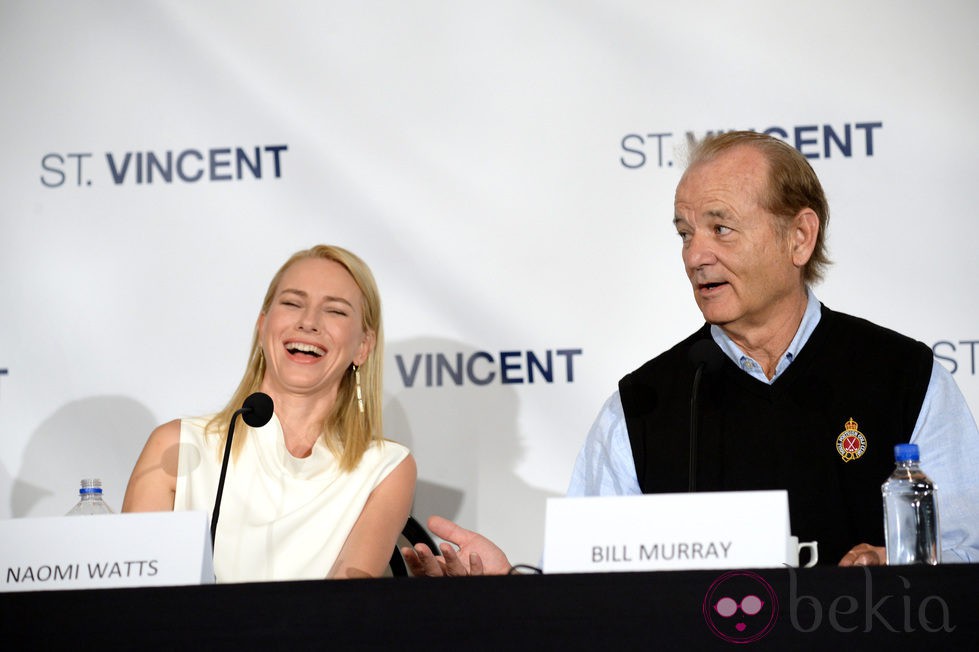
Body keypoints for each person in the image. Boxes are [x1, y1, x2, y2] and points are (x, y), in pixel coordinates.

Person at [403, 131, 979, 575]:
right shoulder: (644, 404)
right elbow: (587, 586)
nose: (694, 255)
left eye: (720, 228)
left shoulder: (905, 377)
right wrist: (513, 586)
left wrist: (898, 568)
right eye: (684, 233)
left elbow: (965, 550)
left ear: (799, 236)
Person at [123, 245, 416, 582]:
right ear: (263, 326)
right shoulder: (176, 447)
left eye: (334, 311)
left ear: (363, 346)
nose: (308, 322)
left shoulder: (383, 468)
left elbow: (345, 607)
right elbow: (133, 600)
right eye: (292, 303)